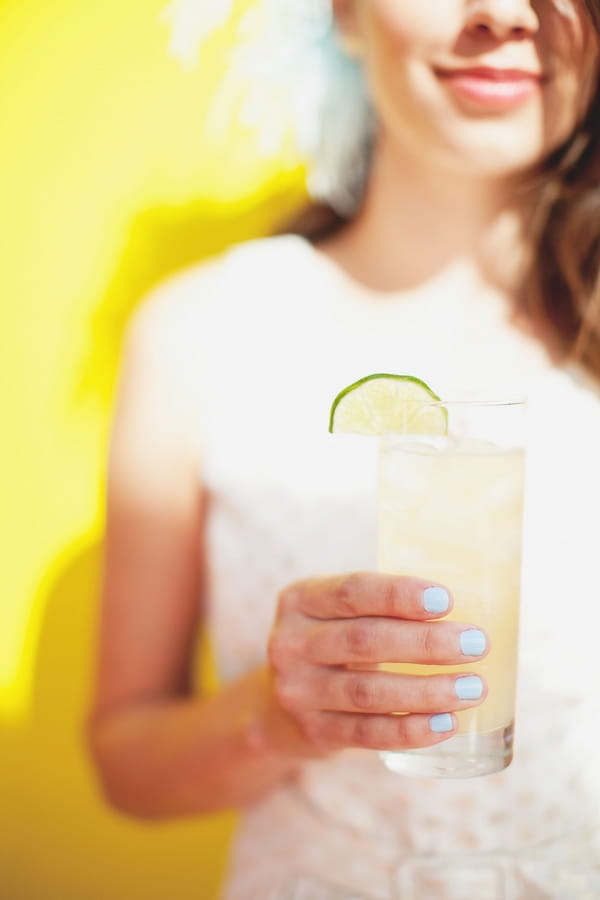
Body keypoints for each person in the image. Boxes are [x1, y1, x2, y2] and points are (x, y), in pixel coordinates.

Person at [87, 1, 600, 898]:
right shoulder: (202, 333)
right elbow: (128, 763)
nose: (505, 15)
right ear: (343, 12)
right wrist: (275, 717)